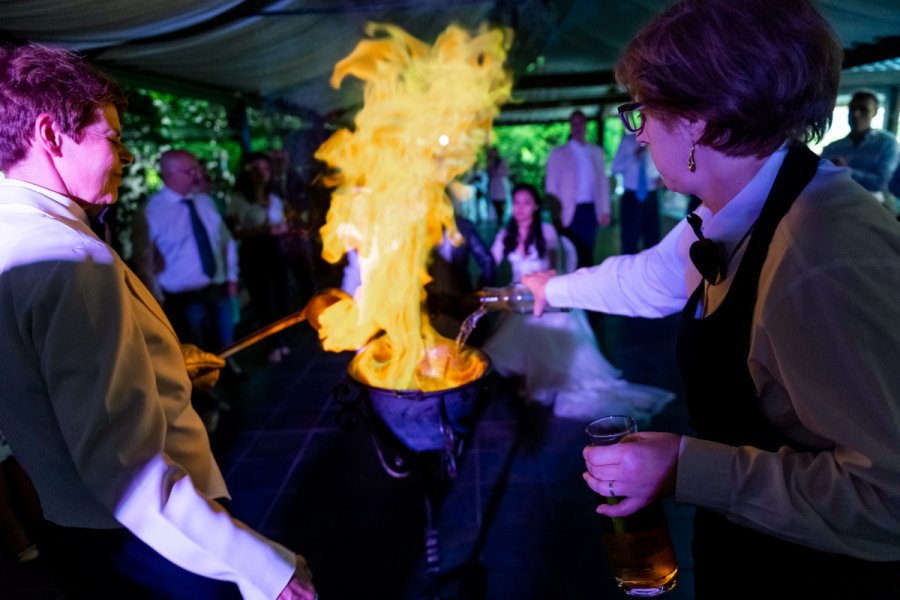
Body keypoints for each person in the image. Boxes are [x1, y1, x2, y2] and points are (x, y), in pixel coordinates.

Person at [522, 2, 900, 597]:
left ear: (696, 120)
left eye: (643, 112)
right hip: (747, 548)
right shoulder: (745, 203)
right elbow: (654, 276)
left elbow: (886, 499)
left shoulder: (819, 256)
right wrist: (551, 289)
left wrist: (684, 465)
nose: (639, 132)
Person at [0, 44, 315, 599]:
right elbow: (130, 472)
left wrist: (157, 367)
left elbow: (46, 383)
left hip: (69, 527)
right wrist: (265, 569)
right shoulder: (70, 256)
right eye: (113, 138)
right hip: (141, 545)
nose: (124, 157)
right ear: (50, 136)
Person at [482, 184, 674, 423]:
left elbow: (552, 269)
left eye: (526, 203)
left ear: (536, 206)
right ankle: (525, 376)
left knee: (541, 323)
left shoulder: (547, 231)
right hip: (519, 296)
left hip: (542, 292)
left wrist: (537, 289)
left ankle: (542, 376)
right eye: (517, 203)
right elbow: (489, 260)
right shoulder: (506, 233)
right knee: (510, 331)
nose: (520, 209)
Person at [229, 152, 294, 364]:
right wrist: (263, 230)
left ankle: (284, 340)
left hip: (276, 250)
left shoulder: (274, 197)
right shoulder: (239, 199)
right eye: (256, 169)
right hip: (254, 253)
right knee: (264, 299)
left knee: (282, 294)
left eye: (265, 169)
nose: (262, 174)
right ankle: (273, 343)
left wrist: (283, 227)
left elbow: (286, 220)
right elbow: (234, 230)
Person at [545, 110, 611, 268]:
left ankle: (585, 291)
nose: (577, 127)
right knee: (570, 254)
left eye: (580, 122)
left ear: (586, 125)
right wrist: (555, 217)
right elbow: (551, 188)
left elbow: (603, 183)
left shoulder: (596, 152)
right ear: (570, 126)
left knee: (587, 253)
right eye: (574, 123)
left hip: (590, 210)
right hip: (567, 213)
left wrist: (605, 210)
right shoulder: (558, 153)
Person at [821, 90, 899, 202]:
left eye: (863, 110)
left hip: (872, 207)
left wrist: (845, 171)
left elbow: (882, 184)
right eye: (852, 109)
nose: (856, 114)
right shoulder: (833, 147)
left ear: (875, 112)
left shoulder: (887, 144)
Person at [611, 131, 663, 254]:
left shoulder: (656, 140)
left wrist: (664, 177)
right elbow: (615, 168)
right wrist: (633, 156)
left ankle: (650, 272)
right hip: (631, 198)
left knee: (653, 241)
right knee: (629, 242)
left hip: (652, 195)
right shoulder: (627, 141)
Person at [486, 146, 511, 223]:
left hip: (500, 183)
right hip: (493, 184)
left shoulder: (501, 161)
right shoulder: (490, 161)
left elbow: (506, 171)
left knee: (501, 200)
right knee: (495, 201)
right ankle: (497, 216)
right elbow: (488, 171)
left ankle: (501, 216)